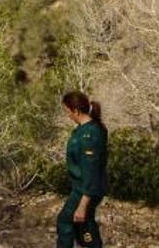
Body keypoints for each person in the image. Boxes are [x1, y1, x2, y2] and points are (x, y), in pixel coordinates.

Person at [57, 90, 108, 248]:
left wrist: (83, 204)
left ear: (76, 111)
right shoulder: (84, 129)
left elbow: (91, 171)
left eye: (67, 111)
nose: (67, 115)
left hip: (85, 190)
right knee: (82, 226)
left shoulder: (89, 135)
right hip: (82, 188)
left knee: (66, 221)